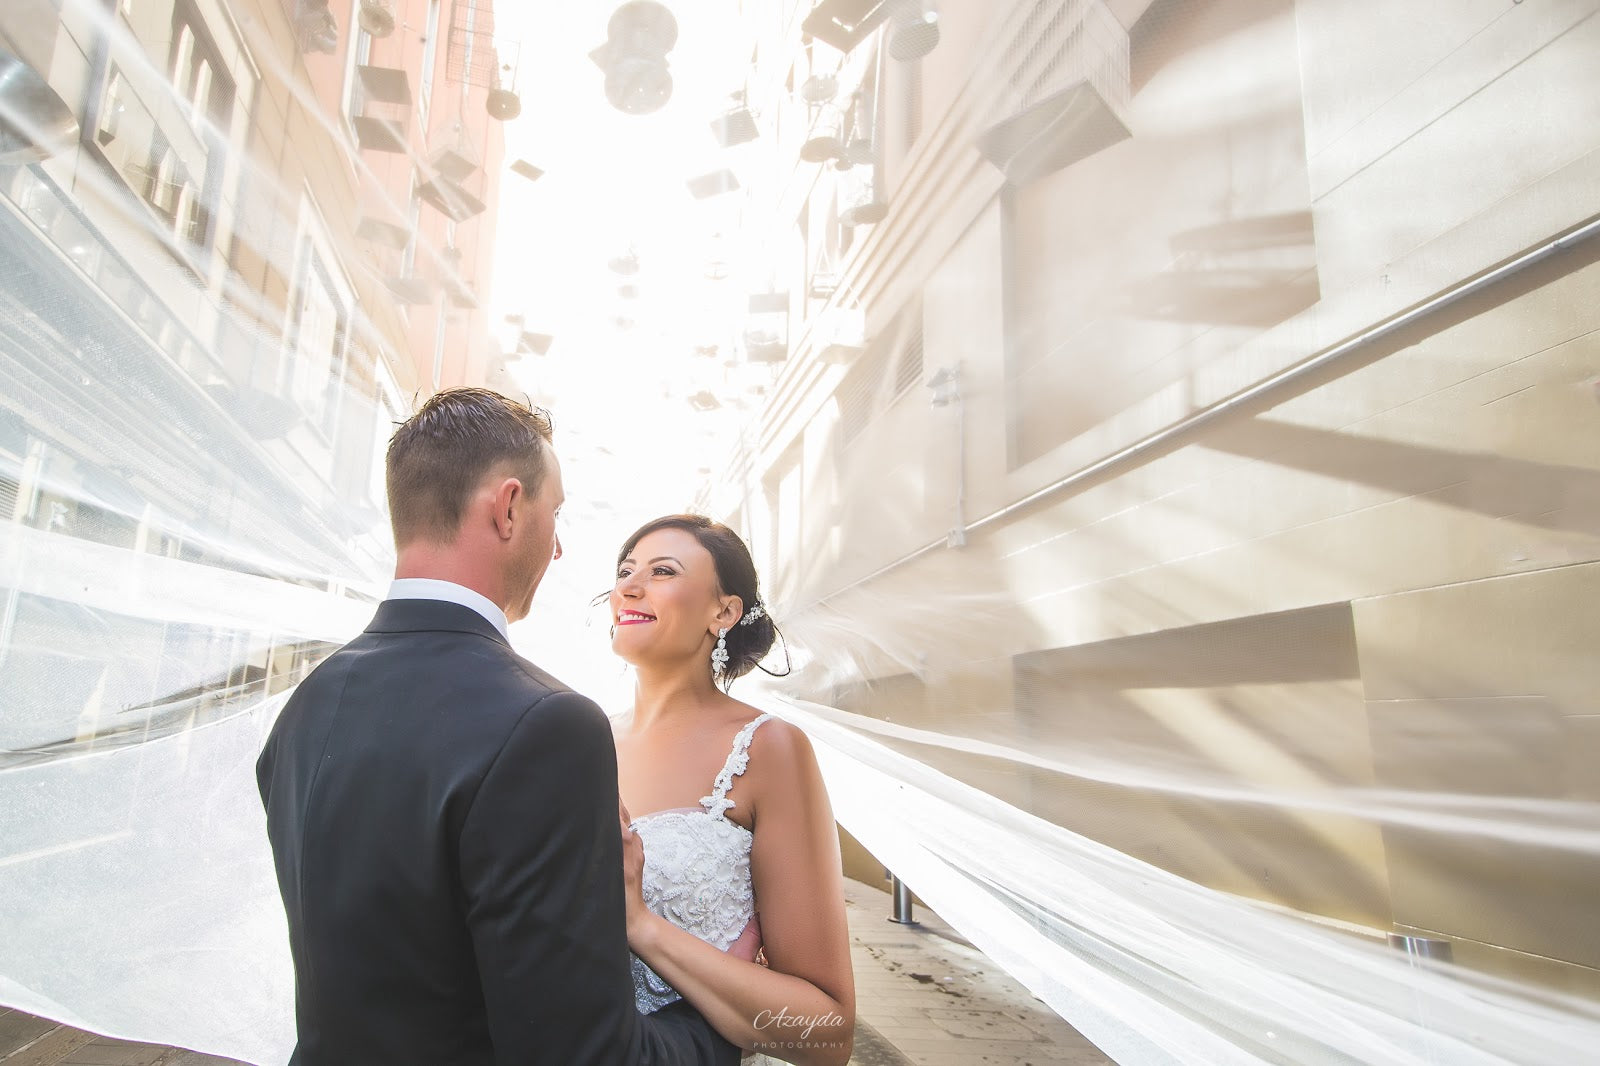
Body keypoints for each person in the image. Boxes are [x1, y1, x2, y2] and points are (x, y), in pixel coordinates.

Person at [256, 389, 737, 1066]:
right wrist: (713, 1029)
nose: (560, 547)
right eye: (554, 512)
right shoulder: (545, 725)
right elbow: (584, 1058)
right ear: (509, 508)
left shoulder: (305, 706)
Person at [608, 515, 856, 1066]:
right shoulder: (578, 741)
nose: (627, 585)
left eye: (662, 571)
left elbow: (826, 1035)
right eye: (625, 571)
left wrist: (640, 927)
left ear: (724, 611)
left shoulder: (767, 750)